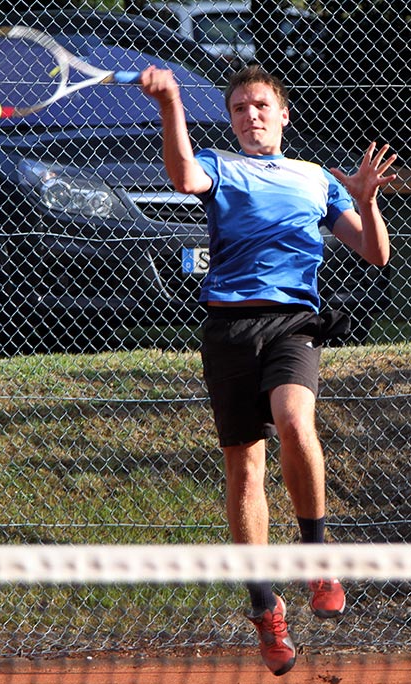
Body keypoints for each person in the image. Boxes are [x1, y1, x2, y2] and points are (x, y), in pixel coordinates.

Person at [140, 64, 396, 677]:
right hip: (228, 329)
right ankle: (264, 606)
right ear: (230, 120)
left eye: (260, 105)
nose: (250, 116)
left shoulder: (315, 179)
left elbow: (375, 253)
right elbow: (181, 175)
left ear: (283, 115)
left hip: (292, 325)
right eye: (238, 109)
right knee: (244, 469)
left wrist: (366, 201)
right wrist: (170, 102)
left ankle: (316, 555)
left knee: (292, 417)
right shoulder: (221, 167)